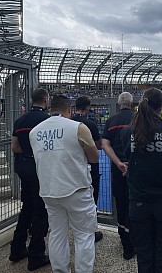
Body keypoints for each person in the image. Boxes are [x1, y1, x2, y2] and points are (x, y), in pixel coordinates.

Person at [29, 95, 99, 273]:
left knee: (57, 234)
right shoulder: (78, 127)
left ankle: (60, 270)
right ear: (69, 108)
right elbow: (94, 157)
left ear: (50, 107)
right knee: (83, 235)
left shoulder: (34, 131)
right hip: (76, 189)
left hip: (49, 190)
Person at [120, 88, 162, 273]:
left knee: (144, 255)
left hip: (139, 201)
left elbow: (127, 157)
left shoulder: (127, 132)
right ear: (161, 106)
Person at [9, 88, 50, 271]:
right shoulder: (47, 120)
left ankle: (16, 248)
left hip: (24, 167)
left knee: (27, 208)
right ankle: (36, 255)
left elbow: (14, 147)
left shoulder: (20, 120)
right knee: (40, 210)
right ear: (46, 100)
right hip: (40, 168)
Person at [102, 92, 136, 260]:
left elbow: (105, 145)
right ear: (132, 103)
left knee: (121, 204)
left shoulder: (111, 121)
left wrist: (118, 163)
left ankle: (126, 243)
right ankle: (136, 239)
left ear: (118, 104)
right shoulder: (138, 118)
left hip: (118, 169)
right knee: (136, 203)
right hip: (137, 168)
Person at [72, 95, 103, 243]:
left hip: (71, 166)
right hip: (89, 167)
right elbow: (98, 145)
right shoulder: (90, 123)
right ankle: (90, 230)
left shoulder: (68, 122)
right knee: (91, 198)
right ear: (87, 107)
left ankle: (76, 227)